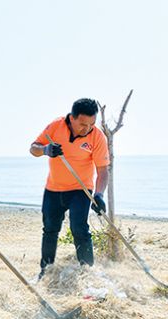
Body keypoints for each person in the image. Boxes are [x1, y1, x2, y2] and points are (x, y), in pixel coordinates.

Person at [29, 98, 109, 277]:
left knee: (79, 228)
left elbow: (103, 170)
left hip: (80, 190)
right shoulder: (56, 126)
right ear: (71, 118)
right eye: (82, 124)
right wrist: (45, 150)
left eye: (91, 124)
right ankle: (45, 271)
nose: (87, 129)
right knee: (50, 229)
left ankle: (87, 273)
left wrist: (99, 194)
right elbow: (33, 148)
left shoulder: (97, 136)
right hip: (53, 189)